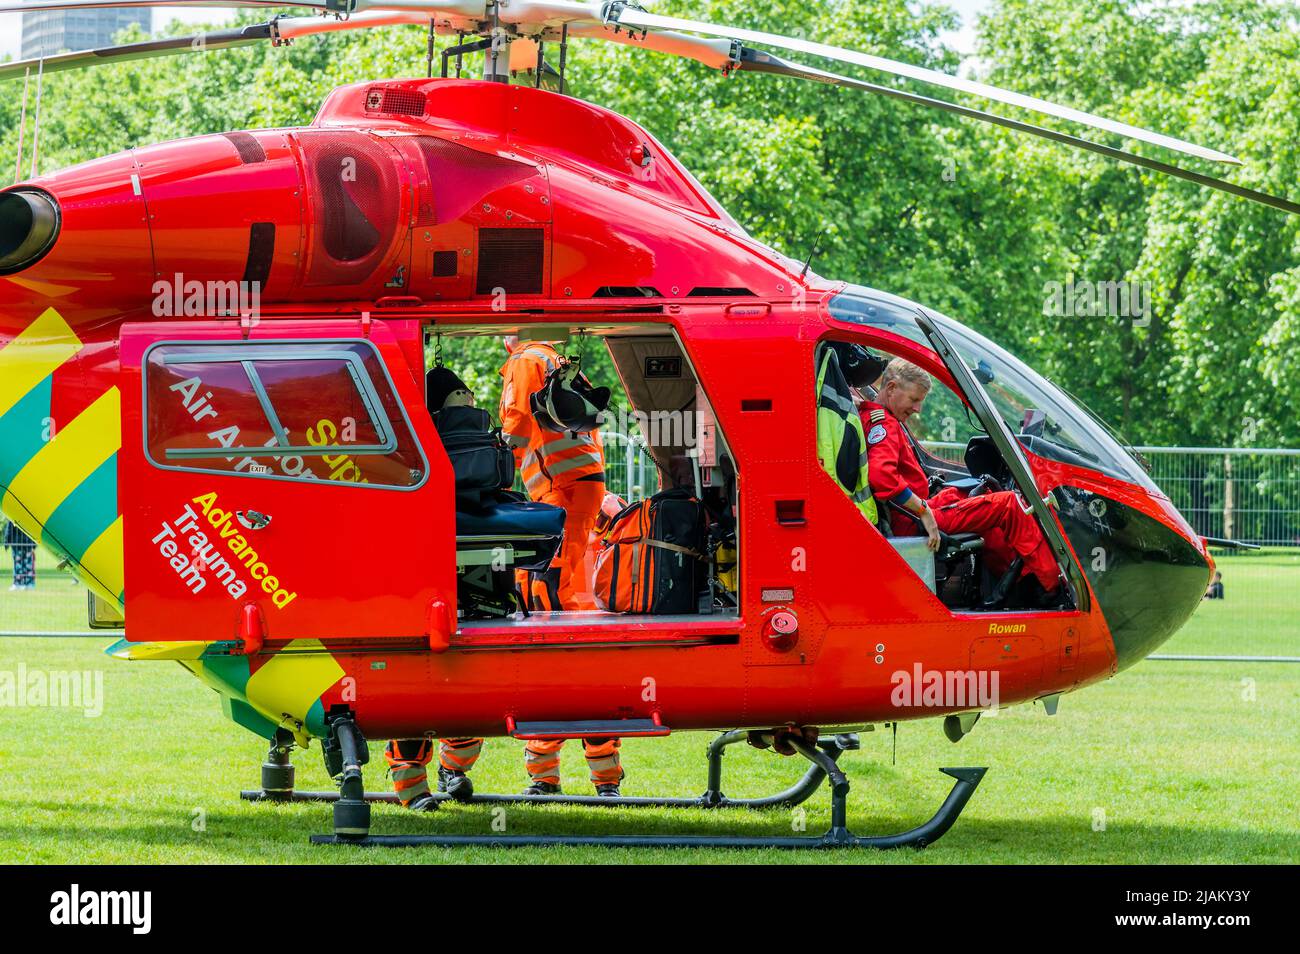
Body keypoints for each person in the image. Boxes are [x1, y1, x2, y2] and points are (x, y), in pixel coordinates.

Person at [498, 336, 625, 797]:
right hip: (576, 486)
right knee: (565, 601)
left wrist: (489, 466)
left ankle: (547, 775)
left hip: (560, 491)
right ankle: (601, 776)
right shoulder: (554, 359)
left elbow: (514, 426)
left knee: (549, 608)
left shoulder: (523, 359)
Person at [863, 358, 1063, 604]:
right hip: (913, 520)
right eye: (914, 400)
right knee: (1009, 504)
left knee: (981, 496)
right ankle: (1054, 588)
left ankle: (1016, 583)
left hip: (913, 512)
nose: (918, 409)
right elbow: (881, 476)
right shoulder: (885, 424)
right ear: (891, 388)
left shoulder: (875, 416)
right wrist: (923, 510)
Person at [384, 365, 485, 811]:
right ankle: (418, 782)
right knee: (426, 687)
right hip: (428, 584)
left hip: (441, 581)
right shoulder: (432, 444)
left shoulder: (416, 440)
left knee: (454, 682)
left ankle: (449, 770)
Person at [4, 520, 36, 591]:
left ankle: (19, 584)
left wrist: (6, 543)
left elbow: (9, 530)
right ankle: (28, 584)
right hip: (27, 544)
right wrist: (34, 544)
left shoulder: (13, 515)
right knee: (27, 565)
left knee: (19, 565)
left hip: (18, 545)